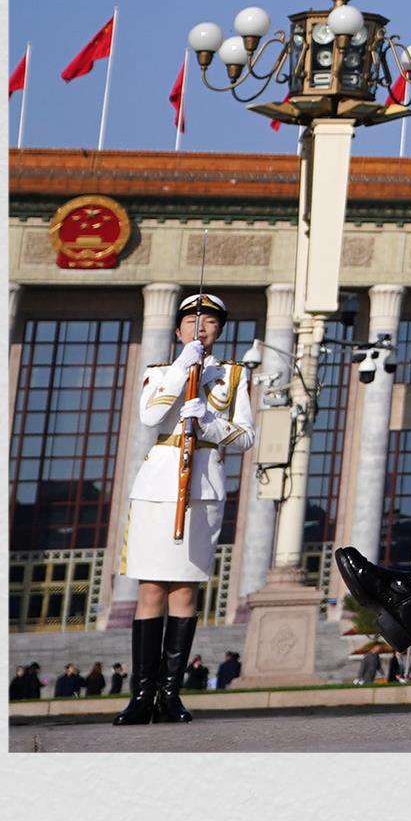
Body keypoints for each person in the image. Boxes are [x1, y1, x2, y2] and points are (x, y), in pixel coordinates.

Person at [116, 292, 258, 726]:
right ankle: (141, 695)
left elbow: (247, 437)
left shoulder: (233, 375)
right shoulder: (160, 372)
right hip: (159, 487)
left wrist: (211, 424)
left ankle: (169, 694)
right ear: (179, 331)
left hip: (202, 490)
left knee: (184, 591)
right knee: (151, 589)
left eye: (210, 322)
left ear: (220, 330)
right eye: (193, 321)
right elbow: (151, 418)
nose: (201, 328)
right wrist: (182, 369)